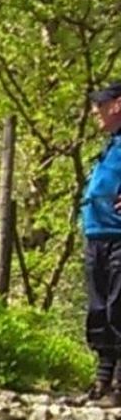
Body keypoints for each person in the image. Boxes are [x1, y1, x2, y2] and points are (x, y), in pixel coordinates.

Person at [80, 80, 121, 402]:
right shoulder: (110, 145)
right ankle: (102, 380)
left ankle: (119, 385)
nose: (95, 111)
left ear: (117, 105)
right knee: (99, 309)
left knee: (118, 308)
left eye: (101, 104)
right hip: (97, 235)